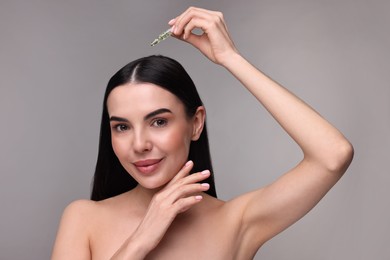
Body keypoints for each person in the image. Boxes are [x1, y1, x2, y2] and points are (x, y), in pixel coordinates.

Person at [51, 7, 353, 260]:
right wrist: (140, 241)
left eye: (158, 122)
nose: (139, 144)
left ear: (196, 123)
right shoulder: (83, 219)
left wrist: (230, 58)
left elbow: (333, 155)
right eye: (122, 127)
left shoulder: (236, 221)